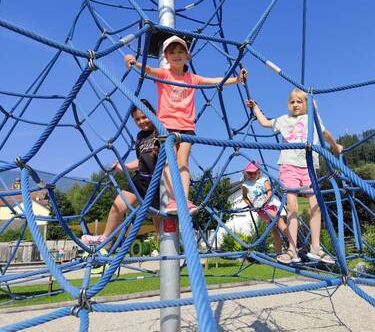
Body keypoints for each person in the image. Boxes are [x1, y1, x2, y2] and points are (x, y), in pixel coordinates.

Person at [124, 36, 247, 215]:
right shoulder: (164, 74)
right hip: (166, 127)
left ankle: (185, 200)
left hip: (187, 127)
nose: (176, 55)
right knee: (169, 161)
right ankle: (174, 199)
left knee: (183, 162)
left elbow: (215, 81)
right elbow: (146, 69)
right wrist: (130, 59)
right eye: (172, 52)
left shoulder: (192, 78)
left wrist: (236, 80)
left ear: (187, 56)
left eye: (181, 51)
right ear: (165, 56)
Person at [246, 88, 343, 265]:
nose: (296, 104)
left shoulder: (312, 119)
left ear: (306, 104)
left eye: (300, 101)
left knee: (316, 206)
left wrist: (336, 146)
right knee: (292, 207)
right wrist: (255, 108)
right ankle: (292, 249)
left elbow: (325, 133)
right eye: (292, 102)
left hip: (309, 167)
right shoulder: (284, 120)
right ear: (288, 105)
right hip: (288, 166)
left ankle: (315, 247)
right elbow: (265, 123)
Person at [82, 99, 160, 245]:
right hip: (141, 179)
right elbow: (142, 161)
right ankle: (105, 238)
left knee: (159, 223)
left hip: (158, 182)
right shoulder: (140, 137)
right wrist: (125, 166)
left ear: (153, 113)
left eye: (144, 117)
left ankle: (167, 257)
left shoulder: (160, 131)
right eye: (137, 119)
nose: (142, 121)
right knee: (117, 206)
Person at [242, 161, 287, 255]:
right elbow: (245, 197)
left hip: (271, 206)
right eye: (249, 173)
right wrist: (252, 206)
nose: (252, 175)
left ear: (258, 172)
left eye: (254, 172)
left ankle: (280, 251)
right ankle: (293, 243)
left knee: (276, 229)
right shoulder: (246, 185)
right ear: (246, 173)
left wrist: (264, 202)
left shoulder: (263, 180)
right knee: (278, 222)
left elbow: (269, 192)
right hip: (261, 210)